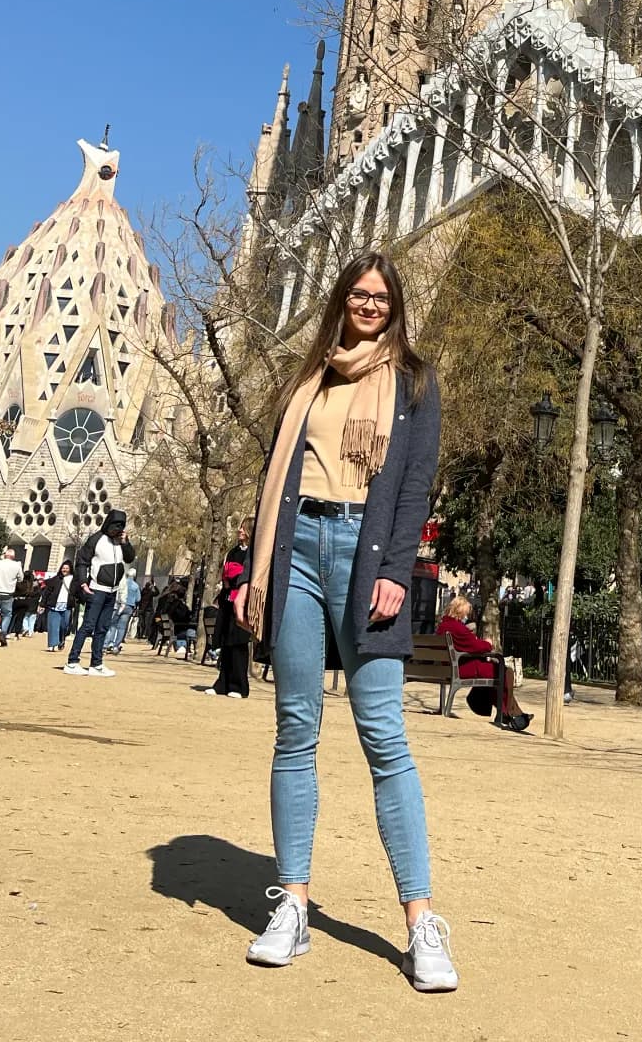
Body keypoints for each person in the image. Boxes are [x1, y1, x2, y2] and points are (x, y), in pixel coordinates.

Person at [233, 249, 456, 990]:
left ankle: (422, 922)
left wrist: (397, 570)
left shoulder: (415, 382)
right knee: (296, 727)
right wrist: (253, 570)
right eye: (358, 295)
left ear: (395, 307)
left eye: (380, 298)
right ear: (342, 300)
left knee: (384, 736)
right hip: (295, 549)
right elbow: (279, 469)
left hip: (366, 557)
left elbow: (415, 483)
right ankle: (292, 905)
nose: (368, 306)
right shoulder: (310, 377)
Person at [436, 595, 530, 732]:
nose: (466, 616)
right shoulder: (457, 628)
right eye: (466, 613)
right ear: (460, 612)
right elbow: (476, 646)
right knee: (506, 671)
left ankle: (512, 712)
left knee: (499, 673)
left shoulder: (443, 626)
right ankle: (510, 710)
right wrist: (488, 643)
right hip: (464, 668)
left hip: (451, 666)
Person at [64, 509, 135, 676]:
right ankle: (72, 661)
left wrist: (126, 543)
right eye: (115, 525)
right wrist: (83, 583)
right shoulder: (96, 539)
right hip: (96, 589)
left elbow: (130, 558)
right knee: (88, 625)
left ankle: (96, 663)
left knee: (103, 627)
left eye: (121, 526)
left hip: (113, 591)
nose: (117, 529)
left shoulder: (120, 542)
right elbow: (82, 561)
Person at [210, 560, 254, 698]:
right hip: (228, 599)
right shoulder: (233, 552)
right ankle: (223, 684)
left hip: (242, 598)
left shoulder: (250, 552)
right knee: (226, 645)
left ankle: (239, 686)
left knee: (238, 646)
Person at [39, 562, 75, 652]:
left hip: (67, 606)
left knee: (64, 625)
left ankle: (61, 639)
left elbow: (78, 592)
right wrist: (42, 604)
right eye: (63, 568)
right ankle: (52, 644)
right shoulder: (55, 579)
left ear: (70, 569)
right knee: (53, 625)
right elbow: (46, 592)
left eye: (67, 568)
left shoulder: (74, 580)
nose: (65, 570)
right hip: (54, 605)